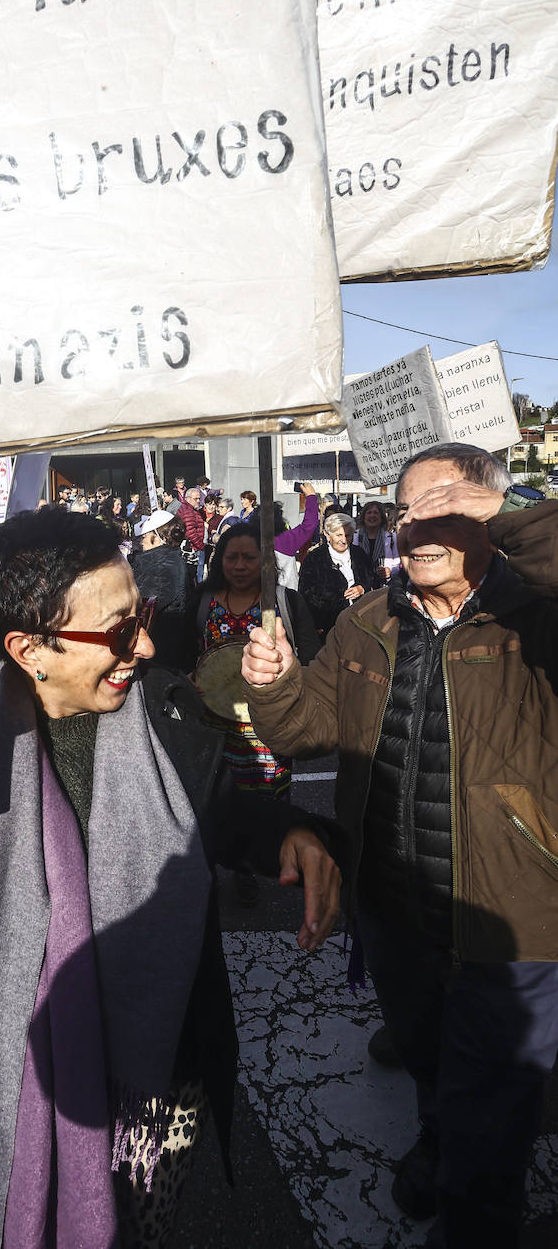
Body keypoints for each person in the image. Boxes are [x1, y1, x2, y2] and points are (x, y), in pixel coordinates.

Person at [0, 509, 342, 1249]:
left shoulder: (159, 702)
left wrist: (291, 830)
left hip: (159, 1062)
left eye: (144, 615)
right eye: (121, 629)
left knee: (142, 1228)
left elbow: (212, 810)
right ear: (31, 648)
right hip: (5, 1062)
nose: (147, 645)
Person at [242, 442, 558, 1249]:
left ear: (489, 516)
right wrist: (274, 681)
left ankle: (474, 1216)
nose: (416, 522)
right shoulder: (367, 620)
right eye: (406, 506)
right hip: (393, 910)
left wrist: (517, 505)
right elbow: (305, 728)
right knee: (428, 1063)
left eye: (444, 504)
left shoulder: (533, 613)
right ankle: (438, 1141)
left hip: (509, 927)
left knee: (492, 1123)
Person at [194, 521, 319, 803]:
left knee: (269, 808)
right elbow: (177, 656)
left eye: (249, 558)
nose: (239, 566)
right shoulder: (201, 601)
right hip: (213, 728)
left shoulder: (286, 602)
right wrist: (186, 679)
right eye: (232, 558)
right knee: (218, 804)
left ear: (264, 561)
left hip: (269, 724)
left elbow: (312, 658)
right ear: (220, 560)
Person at [129, 510, 193, 671]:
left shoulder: (162, 568)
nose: (142, 541)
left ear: (159, 538)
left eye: (145, 536)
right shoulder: (162, 561)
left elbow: (140, 609)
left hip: (159, 654)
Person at [298, 512, 375, 640]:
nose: (344, 540)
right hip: (328, 626)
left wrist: (362, 587)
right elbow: (306, 593)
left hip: (360, 622)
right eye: (339, 535)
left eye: (348, 535)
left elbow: (371, 577)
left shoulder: (359, 554)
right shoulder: (315, 558)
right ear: (328, 536)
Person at [355, 498, 400, 582]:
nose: (372, 516)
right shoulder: (355, 537)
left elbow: (399, 563)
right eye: (369, 513)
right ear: (363, 516)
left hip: (383, 586)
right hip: (360, 585)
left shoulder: (392, 538)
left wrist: (390, 571)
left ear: (382, 517)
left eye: (376, 513)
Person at [177, 486, 206, 582]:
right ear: (188, 499)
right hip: (193, 548)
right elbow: (190, 532)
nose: (198, 501)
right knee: (197, 577)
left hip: (194, 547)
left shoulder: (192, 509)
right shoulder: (187, 511)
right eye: (196, 499)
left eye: (199, 498)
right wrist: (200, 546)